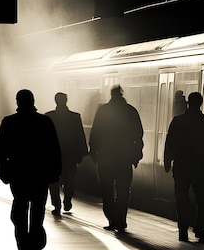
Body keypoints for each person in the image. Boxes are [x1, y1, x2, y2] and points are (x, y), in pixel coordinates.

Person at [0, 89, 62, 250]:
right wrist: (55, 172)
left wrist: (3, 171)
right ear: (33, 101)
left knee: (19, 210)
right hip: (39, 174)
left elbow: (1, 150)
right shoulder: (44, 122)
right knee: (37, 212)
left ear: (17, 102)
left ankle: (23, 247)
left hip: (18, 173)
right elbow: (54, 150)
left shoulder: (9, 122)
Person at [89, 85, 144, 232]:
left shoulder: (103, 111)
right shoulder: (130, 111)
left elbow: (95, 133)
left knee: (106, 190)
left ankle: (112, 218)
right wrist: (136, 155)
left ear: (111, 95)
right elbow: (138, 135)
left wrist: (94, 153)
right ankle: (121, 220)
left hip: (106, 158)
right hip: (124, 158)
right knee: (123, 190)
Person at [164, 92, 204, 243]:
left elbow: (170, 142)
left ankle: (183, 230)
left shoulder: (178, 121)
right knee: (202, 199)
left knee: (181, 199)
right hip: (200, 167)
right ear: (201, 103)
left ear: (188, 103)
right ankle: (200, 229)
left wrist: (167, 161)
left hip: (181, 166)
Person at [45, 92, 88, 216]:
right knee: (69, 178)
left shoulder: (49, 117)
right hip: (70, 154)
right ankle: (67, 200)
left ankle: (56, 205)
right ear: (66, 100)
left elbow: (44, 137)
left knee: (53, 181)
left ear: (55, 101)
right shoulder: (75, 117)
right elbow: (80, 136)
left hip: (52, 155)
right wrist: (81, 154)